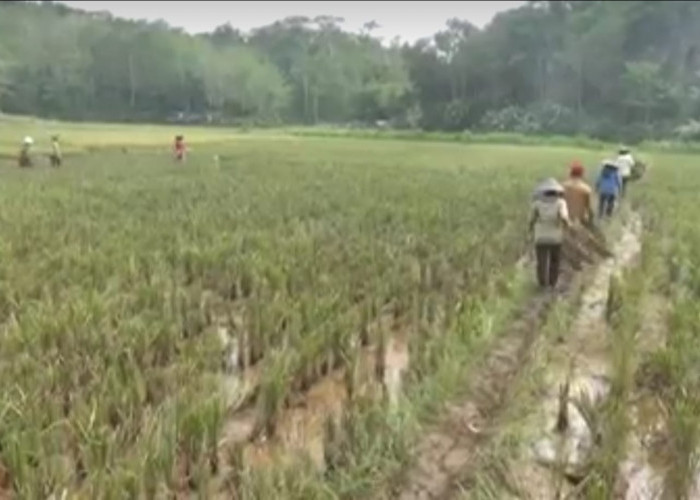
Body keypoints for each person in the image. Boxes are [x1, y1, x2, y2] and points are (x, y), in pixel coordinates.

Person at [529, 178, 572, 289]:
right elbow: (564, 217)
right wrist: (568, 226)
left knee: (541, 261)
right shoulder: (560, 203)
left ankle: (542, 283)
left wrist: (530, 230)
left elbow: (531, 219)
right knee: (555, 260)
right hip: (555, 236)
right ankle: (552, 282)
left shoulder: (537, 203)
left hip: (540, 236)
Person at [562, 161, 593, 225]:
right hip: (579, 220)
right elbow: (588, 207)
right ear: (581, 174)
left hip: (565, 218)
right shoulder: (586, 189)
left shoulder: (562, 187)